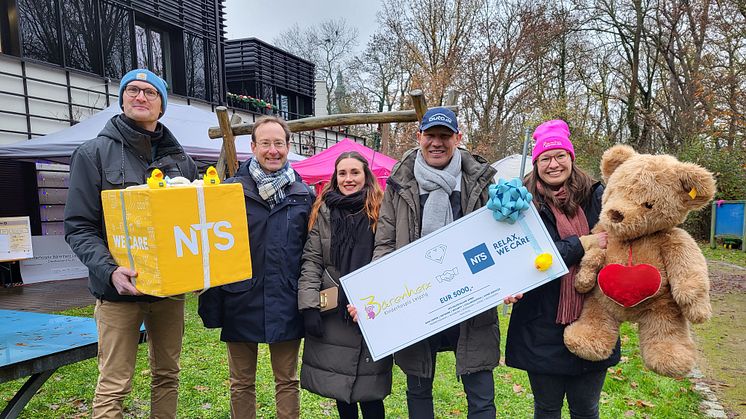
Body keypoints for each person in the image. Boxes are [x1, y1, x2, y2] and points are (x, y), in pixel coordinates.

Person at [64, 68, 198, 418]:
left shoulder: (180, 160)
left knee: (167, 375)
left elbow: (194, 224)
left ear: (162, 105)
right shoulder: (92, 153)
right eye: (133, 90)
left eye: (150, 92)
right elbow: (78, 227)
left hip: (168, 293)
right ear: (122, 98)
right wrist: (110, 272)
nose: (141, 97)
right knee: (113, 385)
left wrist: (196, 271)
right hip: (117, 293)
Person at [354, 107, 499, 419]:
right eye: (430, 135)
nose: (437, 142)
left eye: (445, 136)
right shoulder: (400, 183)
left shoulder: (481, 181)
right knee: (418, 387)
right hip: (417, 298)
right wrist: (376, 293)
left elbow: (499, 238)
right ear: (418, 136)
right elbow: (385, 243)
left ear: (458, 138)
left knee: (481, 389)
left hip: (472, 297)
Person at [503, 119, 620, 419]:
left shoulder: (598, 196)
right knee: (546, 409)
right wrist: (583, 243)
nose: (553, 164)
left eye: (559, 156)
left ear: (571, 158)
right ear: (536, 162)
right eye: (545, 158)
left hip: (592, 319)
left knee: (586, 409)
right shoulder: (521, 204)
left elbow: (618, 243)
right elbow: (530, 260)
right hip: (541, 324)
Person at [198, 115, 313, 419]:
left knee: (287, 380)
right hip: (240, 297)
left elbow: (312, 249)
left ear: (288, 146)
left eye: (279, 143)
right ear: (253, 146)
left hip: (286, 299)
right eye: (265, 143)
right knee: (241, 382)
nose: (272, 150)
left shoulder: (303, 194)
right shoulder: (229, 192)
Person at [297, 151, 393, 419]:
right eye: (343, 173)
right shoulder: (323, 209)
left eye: (355, 172)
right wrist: (309, 306)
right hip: (334, 312)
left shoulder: (382, 209)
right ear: (335, 177)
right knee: (340, 389)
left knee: (371, 391)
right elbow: (312, 259)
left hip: (370, 309)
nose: (348, 179)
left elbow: (388, 255)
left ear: (366, 176)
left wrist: (373, 298)